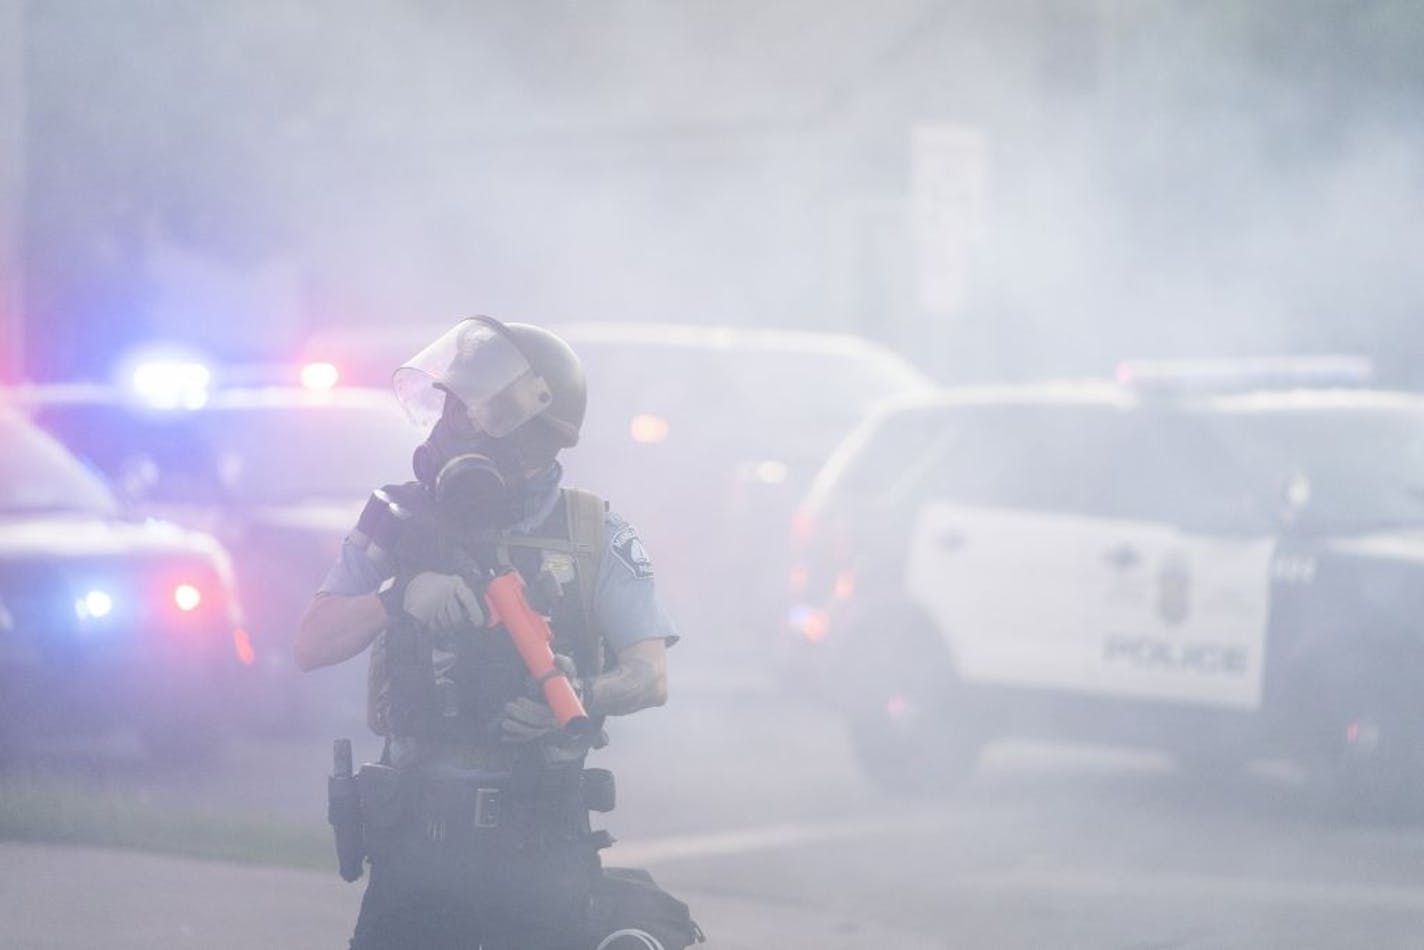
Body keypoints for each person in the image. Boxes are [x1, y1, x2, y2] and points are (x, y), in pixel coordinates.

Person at [294, 316, 703, 950]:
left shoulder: (593, 531)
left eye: (470, 412)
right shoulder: (400, 517)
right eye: (449, 406)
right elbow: (312, 643)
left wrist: (577, 695)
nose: (447, 426)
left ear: (531, 434)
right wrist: (397, 595)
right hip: (418, 841)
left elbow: (651, 675)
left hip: (542, 839)